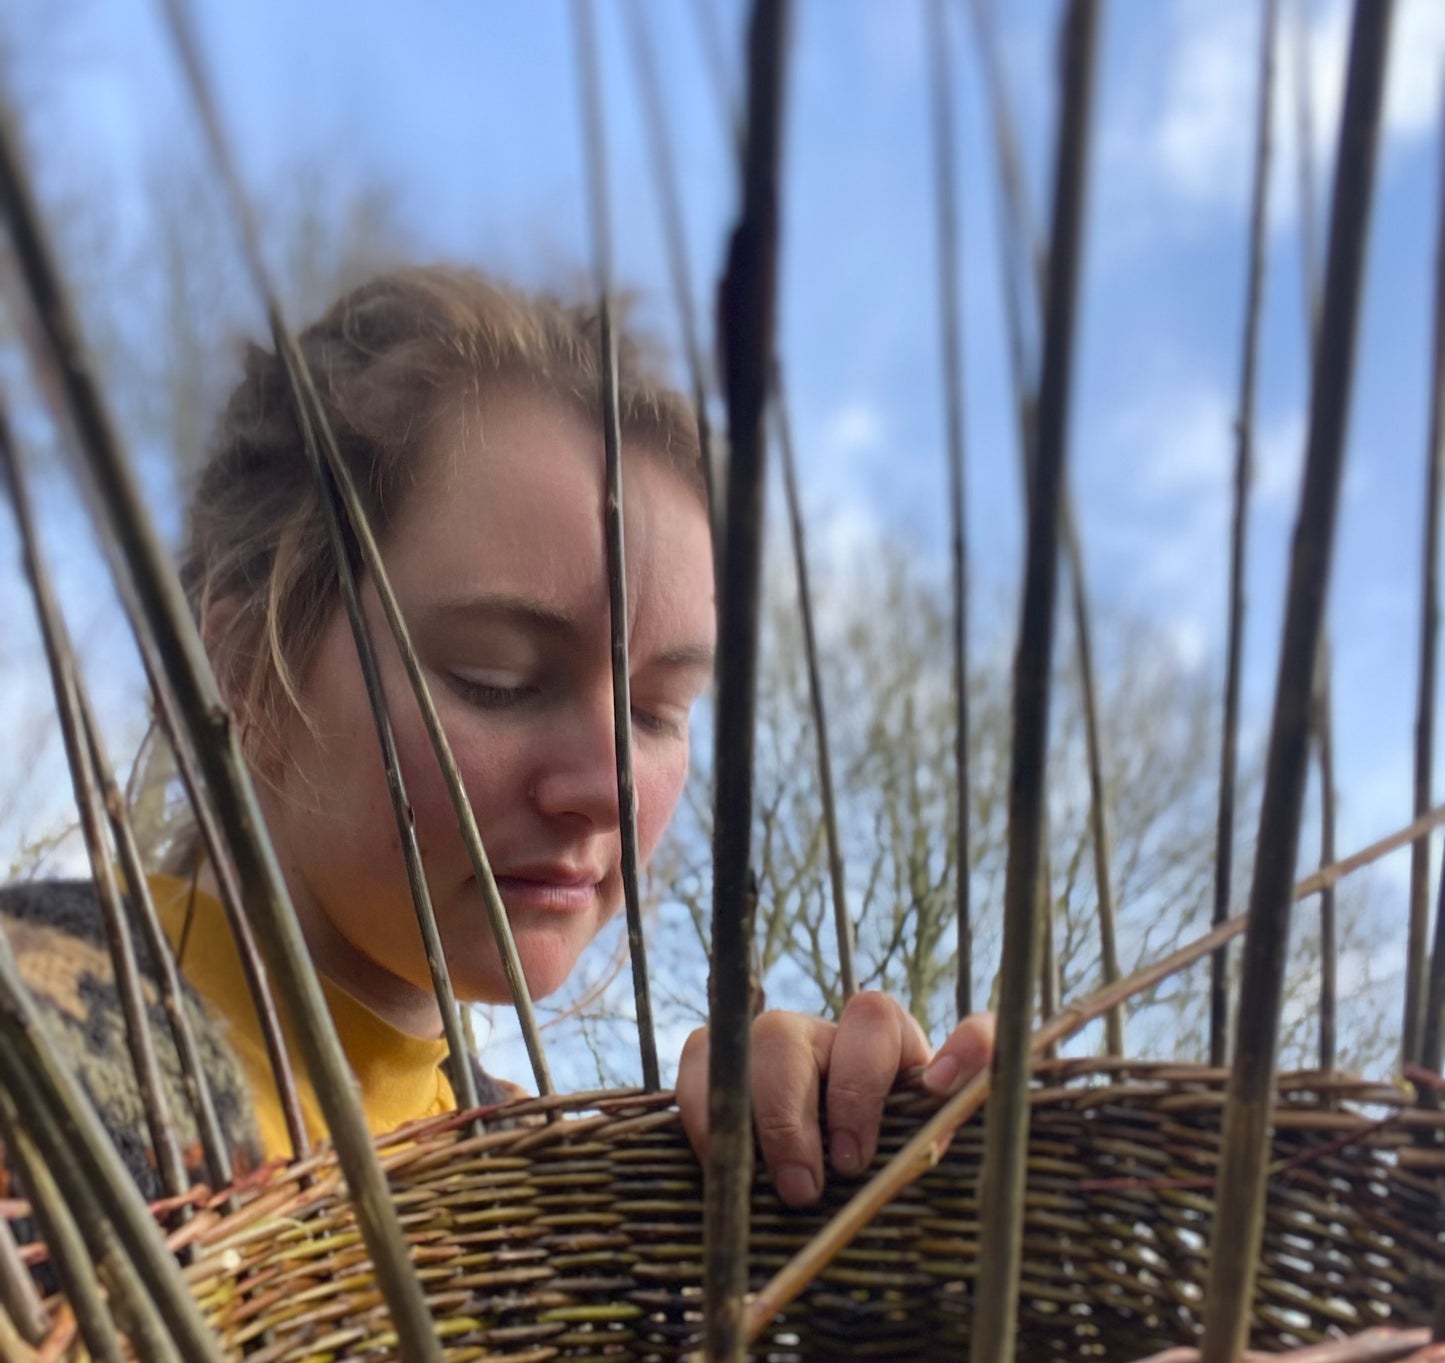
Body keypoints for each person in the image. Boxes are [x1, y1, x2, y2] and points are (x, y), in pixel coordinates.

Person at [142, 262, 993, 1195]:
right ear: (245, 679)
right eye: (496, 679)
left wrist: (823, 1203)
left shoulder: (526, 1183)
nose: (608, 787)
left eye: (657, 711)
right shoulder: (60, 1085)